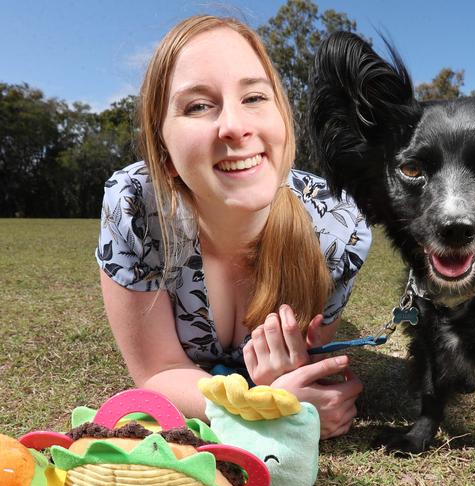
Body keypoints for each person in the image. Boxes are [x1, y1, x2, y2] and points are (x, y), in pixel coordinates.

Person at [95, 15, 371, 440]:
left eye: (255, 97)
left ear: (283, 119)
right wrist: (264, 406)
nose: (235, 127)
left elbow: (304, 366)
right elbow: (158, 371)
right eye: (198, 106)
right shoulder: (135, 206)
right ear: (164, 152)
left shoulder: (339, 227)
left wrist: (290, 381)